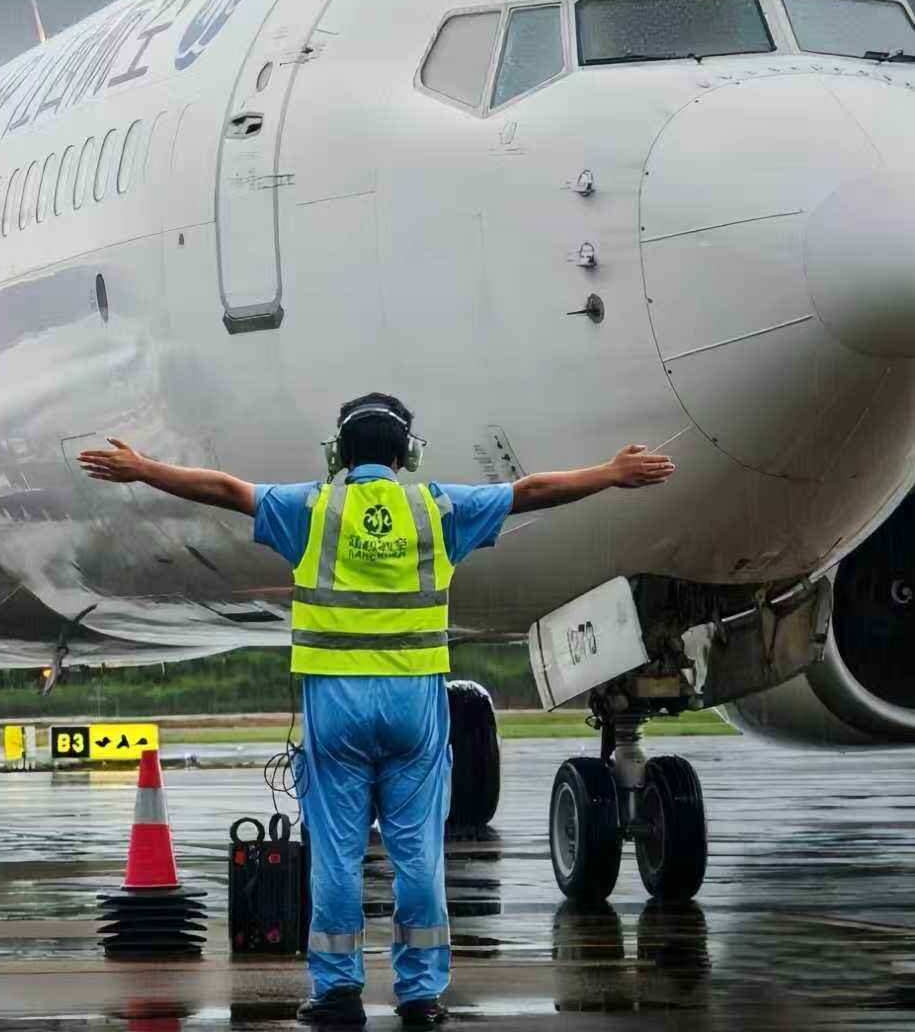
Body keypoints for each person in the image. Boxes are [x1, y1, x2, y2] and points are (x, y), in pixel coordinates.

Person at [79, 394, 674, 1028]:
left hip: (336, 705)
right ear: (405, 454)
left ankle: (337, 992)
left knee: (336, 857)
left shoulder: (313, 507)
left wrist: (145, 468)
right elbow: (530, 492)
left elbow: (225, 489)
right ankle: (419, 996)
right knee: (418, 857)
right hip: (413, 704)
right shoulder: (435, 507)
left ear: (339, 454)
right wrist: (610, 473)